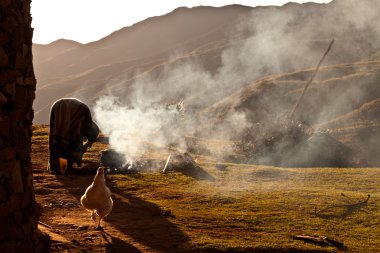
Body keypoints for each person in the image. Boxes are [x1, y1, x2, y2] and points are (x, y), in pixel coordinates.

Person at [48, 98, 100, 174]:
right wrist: (82, 149)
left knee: (55, 136)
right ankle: (67, 164)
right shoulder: (90, 128)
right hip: (74, 109)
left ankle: (55, 164)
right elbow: (83, 141)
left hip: (56, 106)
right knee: (74, 139)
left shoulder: (85, 117)